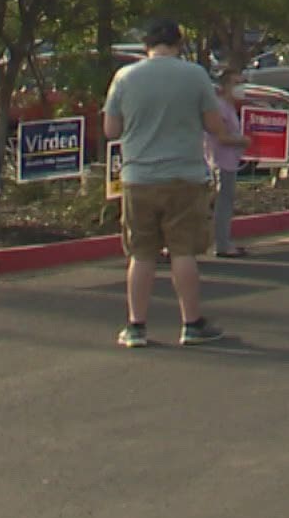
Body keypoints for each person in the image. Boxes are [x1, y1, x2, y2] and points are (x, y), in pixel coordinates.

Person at [103, 19, 241, 349]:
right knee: (183, 252)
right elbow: (213, 124)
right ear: (179, 43)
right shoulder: (194, 76)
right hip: (185, 175)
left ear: (146, 44)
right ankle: (191, 323)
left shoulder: (125, 78)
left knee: (141, 253)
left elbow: (111, 130)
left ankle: (136, 326)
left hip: (139, 177)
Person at [204, 66, 253, 258]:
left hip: (229, 161)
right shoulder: (219, 107)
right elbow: (221, 137)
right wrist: (244, 140)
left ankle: (223, 242)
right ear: (224, 86)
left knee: (225, 202)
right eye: (236, 83)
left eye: (242, 83)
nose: (240, 87)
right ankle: (222, 245)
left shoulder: (230, 107)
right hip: (220, 162)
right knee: (222, 203)